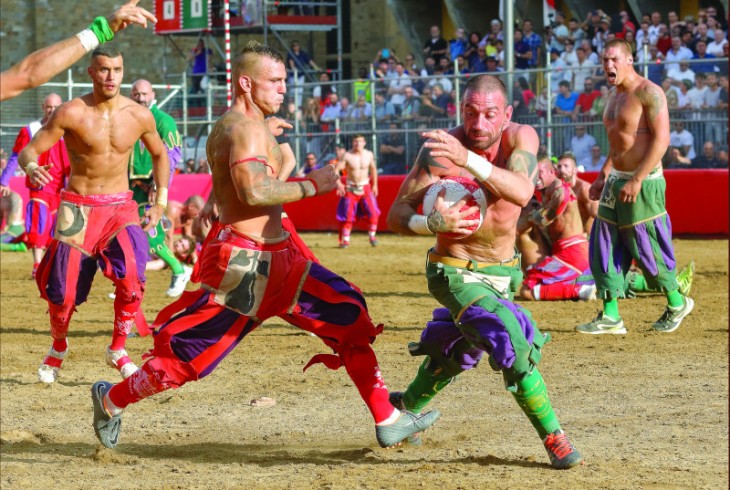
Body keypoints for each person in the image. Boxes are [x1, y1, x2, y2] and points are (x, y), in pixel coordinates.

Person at [89, 41, 440, 450]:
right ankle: (110, 399)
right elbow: (254, 192)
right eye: (274, 81)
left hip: (279, 259)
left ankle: (388, 417)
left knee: (347, 315)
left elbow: (243, 177)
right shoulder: (244, 130)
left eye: (284, 81)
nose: (283, 89)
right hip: (247, 264)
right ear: (244, 83)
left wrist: (267, 139)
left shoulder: (239, 125)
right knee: (190, 361)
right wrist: (315, 185)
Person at [386, 74, 583, 469]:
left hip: (504, 273)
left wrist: (467, 160)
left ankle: (404, 412)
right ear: (460, 110)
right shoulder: (439, 151)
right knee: (510, 334)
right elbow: (396, 214)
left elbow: (522, 191)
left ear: (506, 114)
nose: (479, 124)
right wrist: (431, 225)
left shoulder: (520, 139)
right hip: (454, 270)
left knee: (459, 350)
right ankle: (555, 438)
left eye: (490, 114)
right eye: (471, 113)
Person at [18, 46, 170, 384]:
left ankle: (118, 349)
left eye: (117, 69)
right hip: (78, 207)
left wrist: (160, 202)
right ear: (91, 72)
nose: (111, 76)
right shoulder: (71, 113)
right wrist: (30, 166)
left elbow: (161, 155)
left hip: (120, 208)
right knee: (63, 294)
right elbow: (31, 149)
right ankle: (58, 347)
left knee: (132, 275)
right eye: (103, 69)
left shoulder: (138, 115)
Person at [576, 39, 694, 335]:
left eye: (613, 59)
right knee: (603, 242)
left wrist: (637, 178)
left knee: (647, 245)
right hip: (616, 179)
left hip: (644, 182)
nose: (608, 65)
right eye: (604, 60)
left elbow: (662, 140)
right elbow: (617, 142)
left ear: (629, 60)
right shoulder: (612, 96)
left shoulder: (650, 92)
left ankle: (677, 302)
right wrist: (604, 175)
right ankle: (610, 316)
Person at [0, 1, 155, 102]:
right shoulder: (72, 114)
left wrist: (99, 32)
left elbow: (28, 74)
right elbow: (27, 74)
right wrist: (98, 32)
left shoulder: (138, 117)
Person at [128, 79, 192, 297]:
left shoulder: (163, 121)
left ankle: (178, 269)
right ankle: (129, 282)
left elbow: (171, 156)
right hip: (129, 186)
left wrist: (158, 184)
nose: (141, 98)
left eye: (144, 94)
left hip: (151, 187)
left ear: (153, 94)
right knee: (128, 233)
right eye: (136, 94)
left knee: (149, 232)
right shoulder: (127, 118)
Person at [0, 94, 71, 277]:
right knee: (37, 224)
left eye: (56, 106)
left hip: (60, 189)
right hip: (39, 185)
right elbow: (17, 156)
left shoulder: (68, 132)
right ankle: (37, 265)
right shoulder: (31, 130)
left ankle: (51, 266)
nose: (52, 110)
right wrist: (4, 180)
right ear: (43, 107)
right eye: (49, 106)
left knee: (57, 229)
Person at [517, 156, 596, 302]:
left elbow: (561, 197)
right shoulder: (547, 192)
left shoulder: (558, 187)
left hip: (572, 252)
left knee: (527, 291)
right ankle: (582, 286)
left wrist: (538, 217)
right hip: (568, 251)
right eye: (533, 173)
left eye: (539, 172)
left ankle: (581, 290)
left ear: (551, 171)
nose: (536, 177)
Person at [334, 134, 380, 248]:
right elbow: (336, 170)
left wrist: (375, 185)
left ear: (364, 142)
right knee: (348, 216)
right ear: (352, 143)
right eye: (355, 141)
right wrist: (339, 184)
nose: (358, 144)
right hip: (351, 187)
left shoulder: (369, 154)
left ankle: (372, 237)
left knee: (373, 213)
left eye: (360, 141)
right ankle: (345, 240)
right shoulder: (347, 155)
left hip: (365, 186)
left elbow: (373, 169)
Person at [555, 152, 598, 235]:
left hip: (586, 239)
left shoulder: (584, 189)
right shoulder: (558, 189)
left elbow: (599, 217)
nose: (562, 170)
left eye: (566, 166)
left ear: (575, 170)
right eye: (559, 166)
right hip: (568, 238)